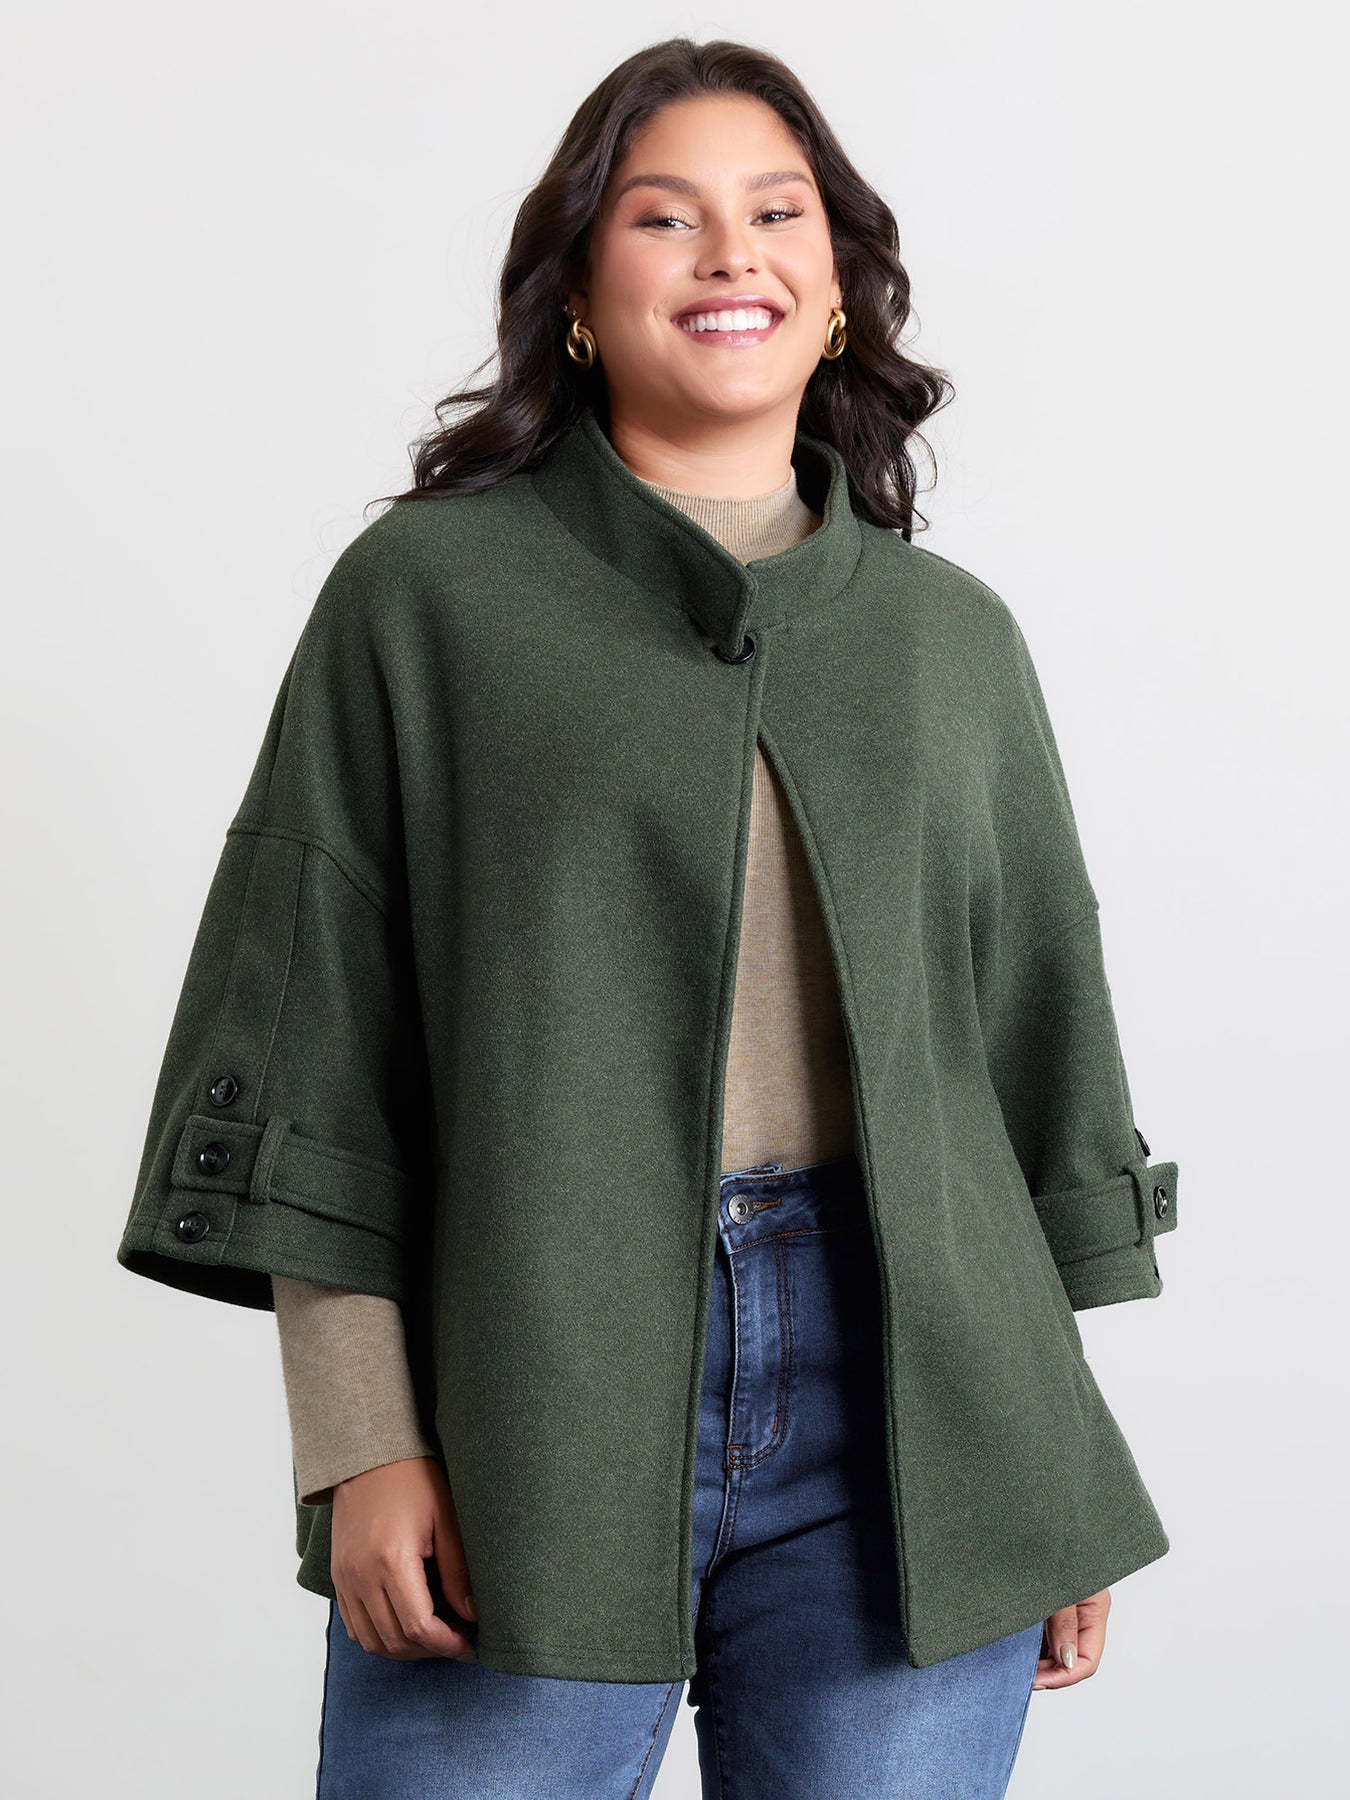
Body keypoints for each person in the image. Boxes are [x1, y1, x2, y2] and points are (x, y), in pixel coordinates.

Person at [116, 36, 1180, 1800]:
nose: (727, 253)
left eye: (776, 213)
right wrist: (359, 1441)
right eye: (662, 216)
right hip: (524, 1371)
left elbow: (1017, 1057)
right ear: (576, 295)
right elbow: (312, 1042)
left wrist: (1042, 1469)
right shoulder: (425, 597)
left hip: (920, 1418)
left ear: (835, 292)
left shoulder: (949, 641)